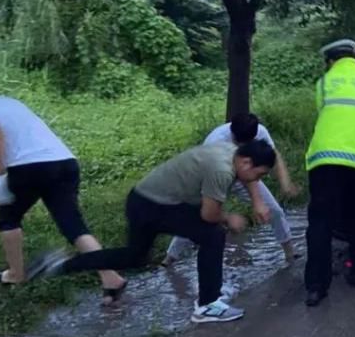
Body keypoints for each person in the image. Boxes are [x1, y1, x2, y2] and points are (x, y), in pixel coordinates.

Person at [37, 139, 276, 324]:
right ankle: (208, 305)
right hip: (156, 207)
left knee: (135, 257)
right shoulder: (221, 171)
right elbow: (209, 215)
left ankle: (61, 264)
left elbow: (249, 178)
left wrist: (257, 202)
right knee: (213, 234)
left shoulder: (232, 151)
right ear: (246, 163)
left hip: (142, 199)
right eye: (260, 174)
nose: (258, 179)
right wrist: (230, 217)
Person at [0, 94, 125, 300]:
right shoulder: (3, 102)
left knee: (8, 218)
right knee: (72, 224)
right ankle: (110, 277)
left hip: (29, 166)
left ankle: (15, 275)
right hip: (64, 161)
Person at [303, 39, 355, 307]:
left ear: (330, 61)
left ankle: (316, 286)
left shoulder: (324, 83)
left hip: (323, 159)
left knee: (320, 222)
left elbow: (321, 113)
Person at [163, 113, 299, 268]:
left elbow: (273, 157)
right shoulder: (215, 143)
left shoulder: (259, 132)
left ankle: (290, 253)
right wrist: (256, 202)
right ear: (233, 134)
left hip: (246, 175)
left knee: (274, 210)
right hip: (214, 177)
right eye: (239, 143)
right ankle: (168, 260)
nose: (243, 146)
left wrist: (285, 183)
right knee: (198, 216)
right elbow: (242, 175)